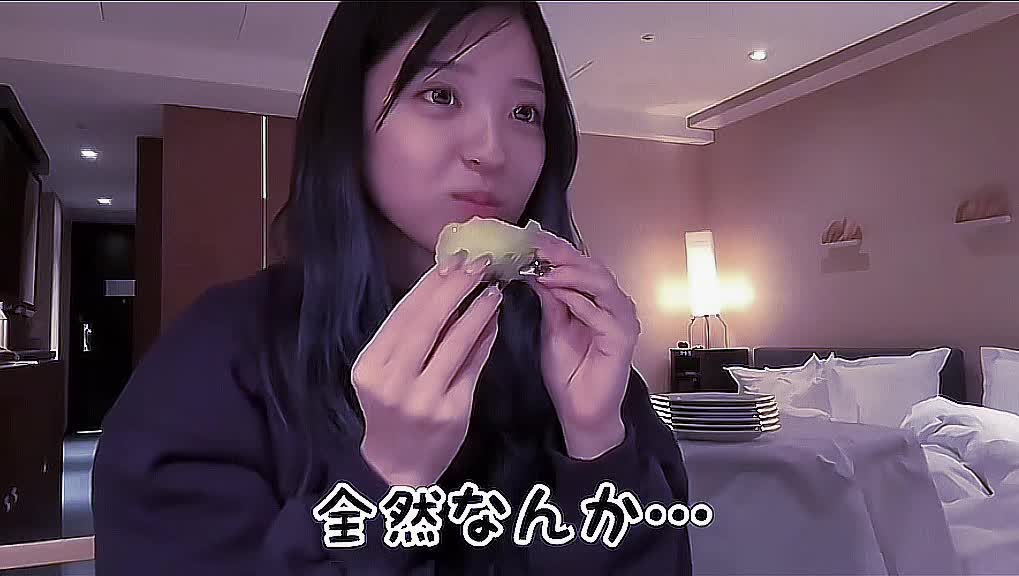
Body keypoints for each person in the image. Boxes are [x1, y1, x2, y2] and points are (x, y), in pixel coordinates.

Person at [92, 2, 693, 574]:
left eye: (524, 113)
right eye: (441, 95)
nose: (492, 151)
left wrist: (598, 444)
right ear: (349, 120)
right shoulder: (216, 360)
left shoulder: (575, 356)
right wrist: (387, 481)